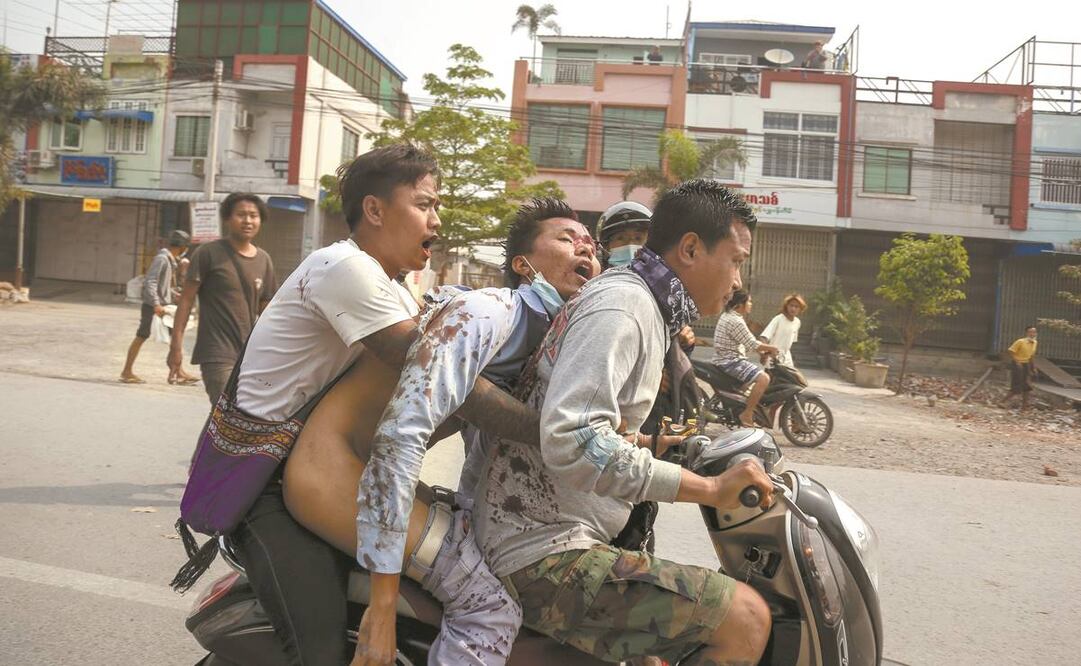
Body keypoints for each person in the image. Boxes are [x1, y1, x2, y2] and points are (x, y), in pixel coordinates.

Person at [177, 145, 544, 666]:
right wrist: (551, 429)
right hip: (269, 488)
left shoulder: (397, 291)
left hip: (330, 467)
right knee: (321, 651)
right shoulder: (344, 267)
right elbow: (443, 378)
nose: (436, 219)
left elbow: (424, 408)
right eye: (424, 204)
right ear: (374, 210)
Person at [284, 197, 636, 665]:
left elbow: (489, 451)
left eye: (592, 245)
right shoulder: (488, 311)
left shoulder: (545, 342)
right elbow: (400, 435)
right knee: (489, 609)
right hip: (335, 474)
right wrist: (383, 605)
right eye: (567, 239)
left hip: (371, 475)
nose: (586, 251)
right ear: (522, 264)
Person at [472, 179, 777, 666]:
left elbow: (602, 430)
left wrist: (664, 446)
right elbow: (574, 439)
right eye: (737, 260)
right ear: (692, 249)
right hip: (539, 554)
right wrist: (709, 487)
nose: (739, 280)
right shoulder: (624, 306)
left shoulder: (648, 309)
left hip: (564, 538)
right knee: (746, 618)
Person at [168, 193, 277, 404]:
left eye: (253, 215)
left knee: (232, 419)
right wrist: (176, 347)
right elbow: (186, 301)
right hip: (216, 352)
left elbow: (267, 310)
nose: (247, 220)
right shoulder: (208, 253)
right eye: (241, 215)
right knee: (225, 413)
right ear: (227, 218)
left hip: (249, 354)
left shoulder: (264, 259)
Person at [120, 229, 192, 385]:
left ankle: (178, 372)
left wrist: (173, 294)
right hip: (152, 306)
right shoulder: (162, 259)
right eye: (186, 247)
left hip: (162, 305)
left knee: (174, 339)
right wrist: (156, 304)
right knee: (142, 335)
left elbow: (161, 286)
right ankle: (127, 371)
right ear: (182, 247)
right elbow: (150, 282)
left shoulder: (170, 260)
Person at [713, 290, 779, 427]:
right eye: (748, 301)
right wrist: (772, 348)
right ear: (739, 304)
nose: (751, 304)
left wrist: (762, 353)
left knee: (751, 380)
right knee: (763, 378)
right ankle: (747, 413)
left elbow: (746, 343)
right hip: (730, 362)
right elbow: (752, 343)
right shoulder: (735, 320)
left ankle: (737, 407)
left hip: (725, 359)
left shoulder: (728, 316)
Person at [759, 292, 806, 369]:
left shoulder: (797, 322)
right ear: (786, 306)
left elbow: (791, 342)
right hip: (773, 357)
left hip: (787, 358)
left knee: (791, 379)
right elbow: (763, 337)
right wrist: (764, 354)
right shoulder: (778, 319)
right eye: (791, 305)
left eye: (796, 306)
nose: (793, 308)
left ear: (800, 309)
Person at [999, 325, 1039, 410]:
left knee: (1027, 386)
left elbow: (1031, 356)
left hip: (1027, 364)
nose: (1032, 334)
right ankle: (1002, 401)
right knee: (1017, 385)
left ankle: (1024, 407)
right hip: (1018, 364)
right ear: (1027, 333)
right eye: (1030, 332)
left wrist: (1033, 368)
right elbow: (1011, 351)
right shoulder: (1020, 341)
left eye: (1034, 332)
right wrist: (1017, 362)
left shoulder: (1035, 342)